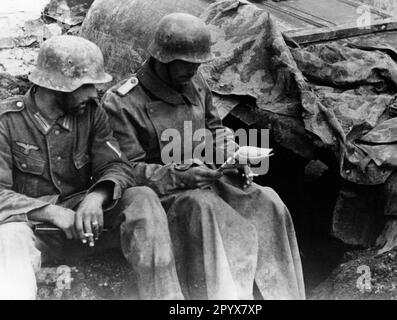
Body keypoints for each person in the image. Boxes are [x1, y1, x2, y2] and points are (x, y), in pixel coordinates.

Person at [103, 13, 305, 300]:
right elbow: (126, 171)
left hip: (209, 176)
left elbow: (215, 128)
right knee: (205, 207)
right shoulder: (122, 102)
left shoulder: (195, 83)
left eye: (199, 63)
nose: (194, 70)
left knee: (267, 200)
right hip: (164, 195)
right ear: (163, 58)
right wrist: (179, 175)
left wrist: (232, 154)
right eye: (188, 63)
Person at [0, 35, 183, 300]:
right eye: (86, 86)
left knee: (142, 197)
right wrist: (49, 212)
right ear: (57, 87)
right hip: (33, 229)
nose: (93, 93)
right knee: (9, 237)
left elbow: (117, 165)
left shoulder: (91, 113)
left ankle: (167, 299)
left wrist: (97, 197)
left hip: (85, 226)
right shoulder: (7, 122)